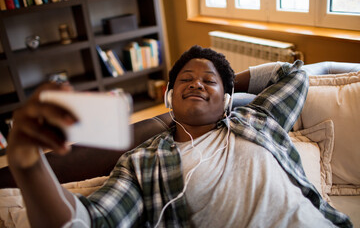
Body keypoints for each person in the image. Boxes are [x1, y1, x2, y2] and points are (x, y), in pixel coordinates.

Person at [6, 45, 351, 228]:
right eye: (186, 79)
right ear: (170, 96)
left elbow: (291, 74)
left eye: (208, 81)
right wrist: (29, 164)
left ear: (227, 100)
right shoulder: (142, 163)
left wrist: (230, 83)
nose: (197, 83)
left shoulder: (257, 117)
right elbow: (89, 222)